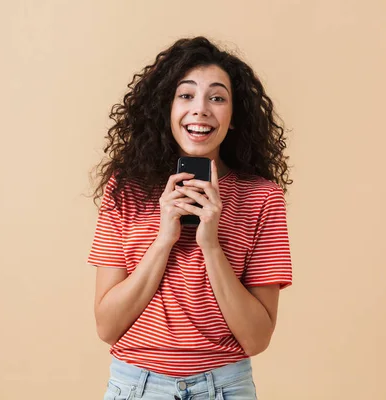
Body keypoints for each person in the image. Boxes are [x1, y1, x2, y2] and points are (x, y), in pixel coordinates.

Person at [87, 36, 293, 400]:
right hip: (137, 386)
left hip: (226, 387)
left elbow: (258, 337)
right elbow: (107, 326)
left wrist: (211, 245)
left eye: (217, 97)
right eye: (186, 95)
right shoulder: (126, 189)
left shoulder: (262, 198)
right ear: (166, 109)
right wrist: (164, 239)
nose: (200, 109)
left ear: (233, 118)